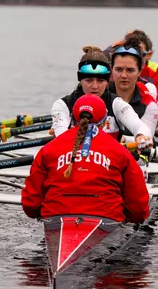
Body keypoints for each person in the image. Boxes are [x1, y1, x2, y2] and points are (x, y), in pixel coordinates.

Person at [21, 94, 150, 224]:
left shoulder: (48, 149)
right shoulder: (120, 151)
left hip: (55, 218)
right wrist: (130, 218)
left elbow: (30, 204)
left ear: (72, 120)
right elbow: (138, 208)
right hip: (107, 220)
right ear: (105, 121)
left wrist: (41, 213)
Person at [51, 46, 153, 148]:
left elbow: (138, 125)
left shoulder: (116, 104)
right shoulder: (62, 105)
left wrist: (141, 135)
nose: (95, 86)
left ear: (108, 81)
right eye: (89, 80)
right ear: (80, 79)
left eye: (100, 81)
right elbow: (61, 137)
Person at [104, 30, 158, 111]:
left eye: (140, 52)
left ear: (149, 55)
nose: (124, 75)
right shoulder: (112, 62)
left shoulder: (156, 72)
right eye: (119, 69)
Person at [109, 37, 158, 143]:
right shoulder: (100, 95)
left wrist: (119, 139)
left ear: (140, 72)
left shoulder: (149, 103)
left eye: (130, 70)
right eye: (118, 69)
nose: (123, 75)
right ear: (111, 69)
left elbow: (146, 141)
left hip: (138, 154)